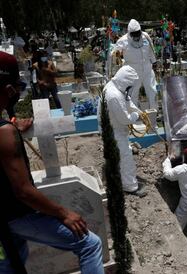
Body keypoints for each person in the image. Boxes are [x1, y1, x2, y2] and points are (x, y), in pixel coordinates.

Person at [0, 51, 104, 274]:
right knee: (89, 244)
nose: (19, 92)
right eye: (17, 89)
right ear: (8, 90)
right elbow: (23, 192)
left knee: (12, 261)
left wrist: (12, 127)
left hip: (4, 217)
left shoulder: (5, 129)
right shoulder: (4, 133)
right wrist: (64, 213)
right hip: (17, 215)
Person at [99, 65, 147, 196]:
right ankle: (130, 187)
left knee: (118, 156)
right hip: (114, 132)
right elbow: (125, 119)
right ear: (125, 81)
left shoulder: (115, 86)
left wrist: (138, 110)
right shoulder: (113, 95)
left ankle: (117, 176)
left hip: (113, 129)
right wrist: (136, 116)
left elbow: (127, 100)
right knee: (126, 158)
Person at [113, 19, 158, 110]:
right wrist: (116, 55)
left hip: (147, 68)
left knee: (152, 91)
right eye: (134, 34)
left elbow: (151, 49)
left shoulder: (146, 36)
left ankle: (153, 112)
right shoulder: (122, 41)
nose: (137, 36)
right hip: (132, 70)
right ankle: (135, 115)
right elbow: (115, 54)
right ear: (129, 33)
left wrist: (154, 61)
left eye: (138, 33)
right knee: (133, 93)